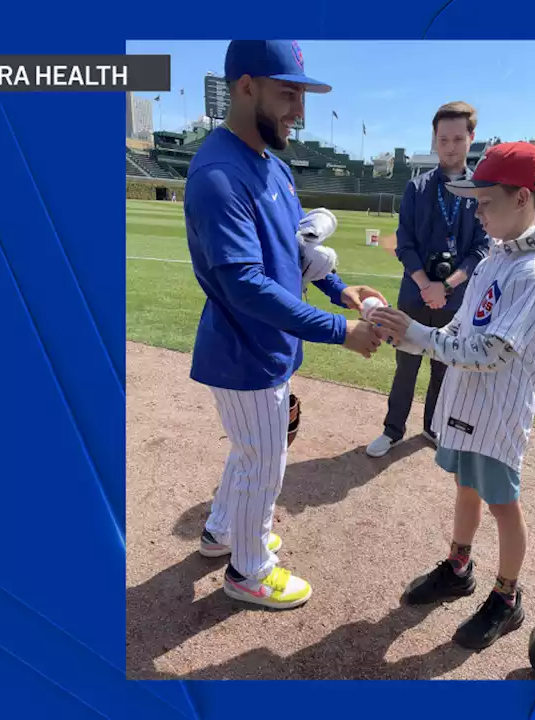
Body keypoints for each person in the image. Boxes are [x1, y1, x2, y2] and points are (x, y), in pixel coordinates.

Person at [184, 40, 386, 610]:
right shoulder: (219, 175)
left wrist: (342, 292)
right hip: (244, 351)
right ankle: (248, 571)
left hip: (267, 347)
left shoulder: (272, 163)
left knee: (251, 453)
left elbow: (298, 247)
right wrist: (341, 331)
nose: (299, 109)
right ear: (245, 86)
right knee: (263, 466)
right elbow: (243, 285)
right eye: (287, 93)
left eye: (302, 94)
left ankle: (223, 533)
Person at [369, 142, 535, 649]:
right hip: (467, 403)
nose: (476, 213)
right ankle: (459, 567)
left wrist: (421, 335)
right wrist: (413, 331)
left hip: (497, 413)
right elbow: (463, 322)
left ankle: (507, 597)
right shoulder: (497, 257)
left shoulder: (534, 273)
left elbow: (492, 351)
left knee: (503, 503)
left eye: (485, 202)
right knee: (466, 487)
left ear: (523, 198)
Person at [365, 102, 491, 458]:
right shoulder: (417, 189)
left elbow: (480, 250)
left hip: (455, 301)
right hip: (415, 295)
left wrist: (446, 286)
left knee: (443, 368)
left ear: (471, 138)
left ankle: (432, 427)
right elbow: (404, 244)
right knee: (405, 367)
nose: (450, 146)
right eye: (442, 139)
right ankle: (392, 430)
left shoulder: (480, 192)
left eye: (457, 138)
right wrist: (425, 284)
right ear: (434, 140)